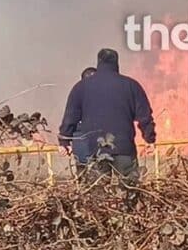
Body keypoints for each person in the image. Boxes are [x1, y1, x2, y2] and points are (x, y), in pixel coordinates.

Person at [59, 48, 156, 184]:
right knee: (129, 189)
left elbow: (70, 117)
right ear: (117, 63)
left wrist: (64, 141)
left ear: (98, 62)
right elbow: (144, 115)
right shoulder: (131, 85)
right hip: (124, 148)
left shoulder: (81, 87)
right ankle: (128, 198)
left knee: (98, 192)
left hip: (94, 150)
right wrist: (149, 138)